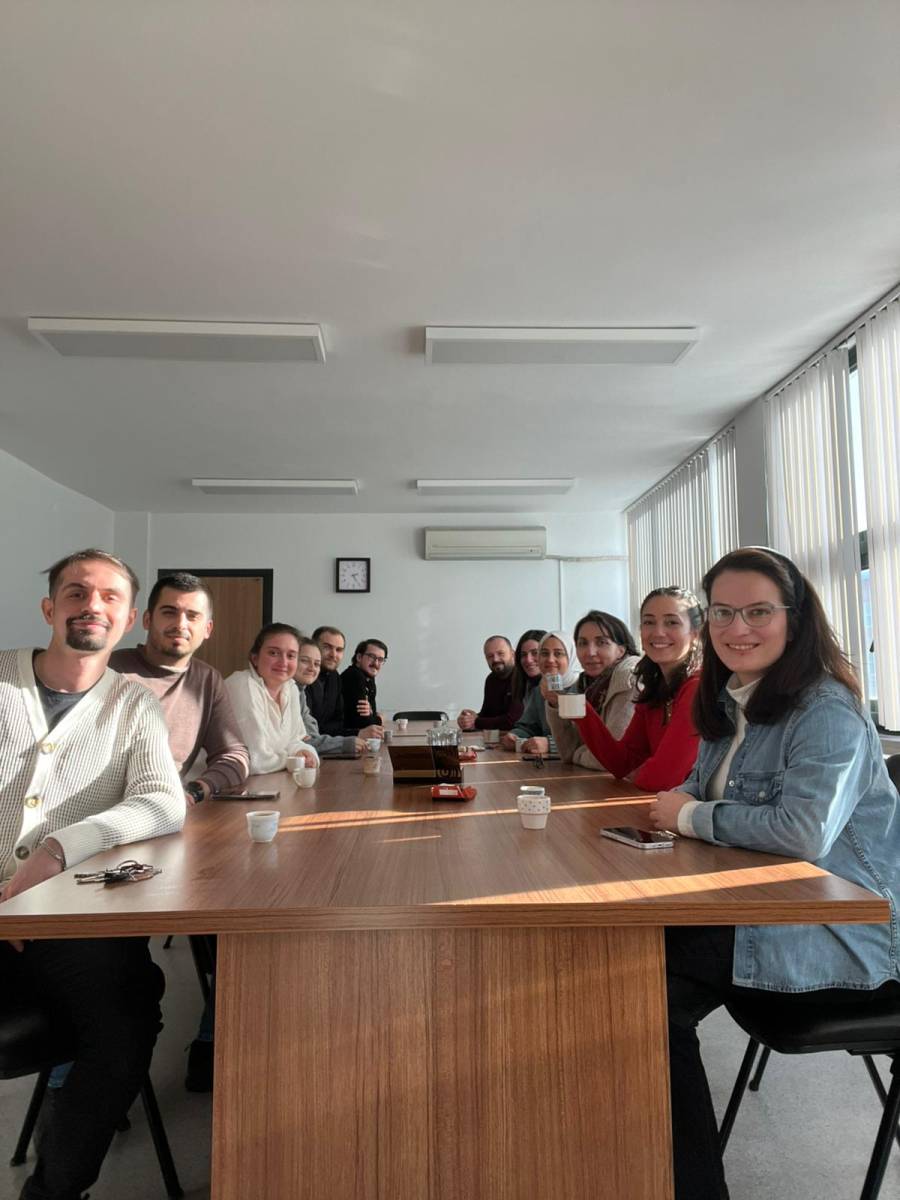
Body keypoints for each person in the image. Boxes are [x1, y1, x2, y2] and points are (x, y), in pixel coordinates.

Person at [648, 547, 900, 1200]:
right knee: (627, 972)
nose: (738, 628)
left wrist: (690, 817)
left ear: (795, 618)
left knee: (637, 994)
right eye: (723, 613)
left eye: (758, 611)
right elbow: (697, 789)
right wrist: (680, 810)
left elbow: (801, 832)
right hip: (763, 914)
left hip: (841, 942)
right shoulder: (732, 701)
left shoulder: (825, 710)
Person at [0, 549, 185, 1200]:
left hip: (63, 915)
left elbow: (163, 801)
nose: (92, 606)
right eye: (76, 593)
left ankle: (53, 1190)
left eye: (109, 597)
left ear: (129, 619)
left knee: (127, 1020)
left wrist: (57, 849)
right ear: (50, 608)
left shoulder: (134, 705)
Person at [110, 572, 249, 805]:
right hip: (110, 808)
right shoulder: (111, 669)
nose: (180, 624)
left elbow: (234, 755)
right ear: (147, 620)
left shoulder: (208, 680)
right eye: (169, 612)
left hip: (169, 807)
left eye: (192, 616)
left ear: (208, 629)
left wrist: (196, 791)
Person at [545, 611, 641, 767]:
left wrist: (577, 755)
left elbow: (610, 758)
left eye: (602, 642)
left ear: (621, 650)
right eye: (582, 643)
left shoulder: (630, 677)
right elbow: (567, 750)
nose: (590, 652)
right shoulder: (586, 684)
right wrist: (555, 704)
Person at [225, 623, 319, 774]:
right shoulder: (242, 685)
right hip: (216, 783)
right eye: (274, 653)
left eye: (291, 656)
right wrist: (295, 760)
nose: (283, 662)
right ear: (255, 658)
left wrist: (305, 753)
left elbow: (294, 741)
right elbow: (255, 760)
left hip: (265, 781)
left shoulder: (291, 688)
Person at [501, 631, 579, 753]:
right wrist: (515, 735)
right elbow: (528, 726)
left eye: (558, 653)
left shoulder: (582, 687)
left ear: (571, 656)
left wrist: (551, 744)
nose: (550, 660)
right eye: (544, 653)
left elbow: (584, 740)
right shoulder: (539, 690)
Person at [295, 638, 366, 757]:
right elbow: (298, 743)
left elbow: (337, 722)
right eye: (304, 661)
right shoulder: (294, 688)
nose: (312, 668)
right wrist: (343, 742)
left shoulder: (333, 678)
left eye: (316, 664)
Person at [458, 636, 518, 731]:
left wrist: (476, 722)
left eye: (501, 653)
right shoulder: (491, 679)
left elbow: (513, 721)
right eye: (490, 656)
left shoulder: (522, 677)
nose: (495, 659)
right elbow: (487, 715)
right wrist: (469, 719)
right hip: (498, 738)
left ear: (513, 654)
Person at [341, 639, 388, 733]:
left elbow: (372, 713)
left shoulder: (368, 677)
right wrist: (380, 719)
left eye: (380, 659)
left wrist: (373, 715)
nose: (376, 663)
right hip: (345, 737)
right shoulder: (354, 676)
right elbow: (363, 723)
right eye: (372, 657)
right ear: (359, 657)